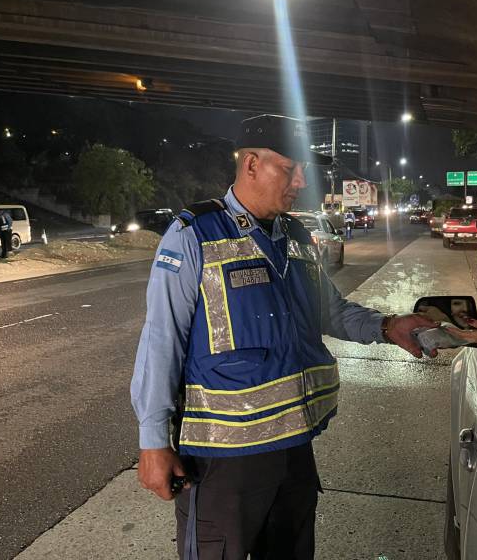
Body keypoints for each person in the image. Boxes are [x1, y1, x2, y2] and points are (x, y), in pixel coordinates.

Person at [131, 114, 435, 560]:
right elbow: (162, 341)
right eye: (290, 169)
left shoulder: (295, 236)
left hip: (293, 449)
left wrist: (388, 326)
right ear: (251, 164)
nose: (300, 182)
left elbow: (329, 311)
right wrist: (153, 442)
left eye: (305, 172)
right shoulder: (194, 234)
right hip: (224, 459)